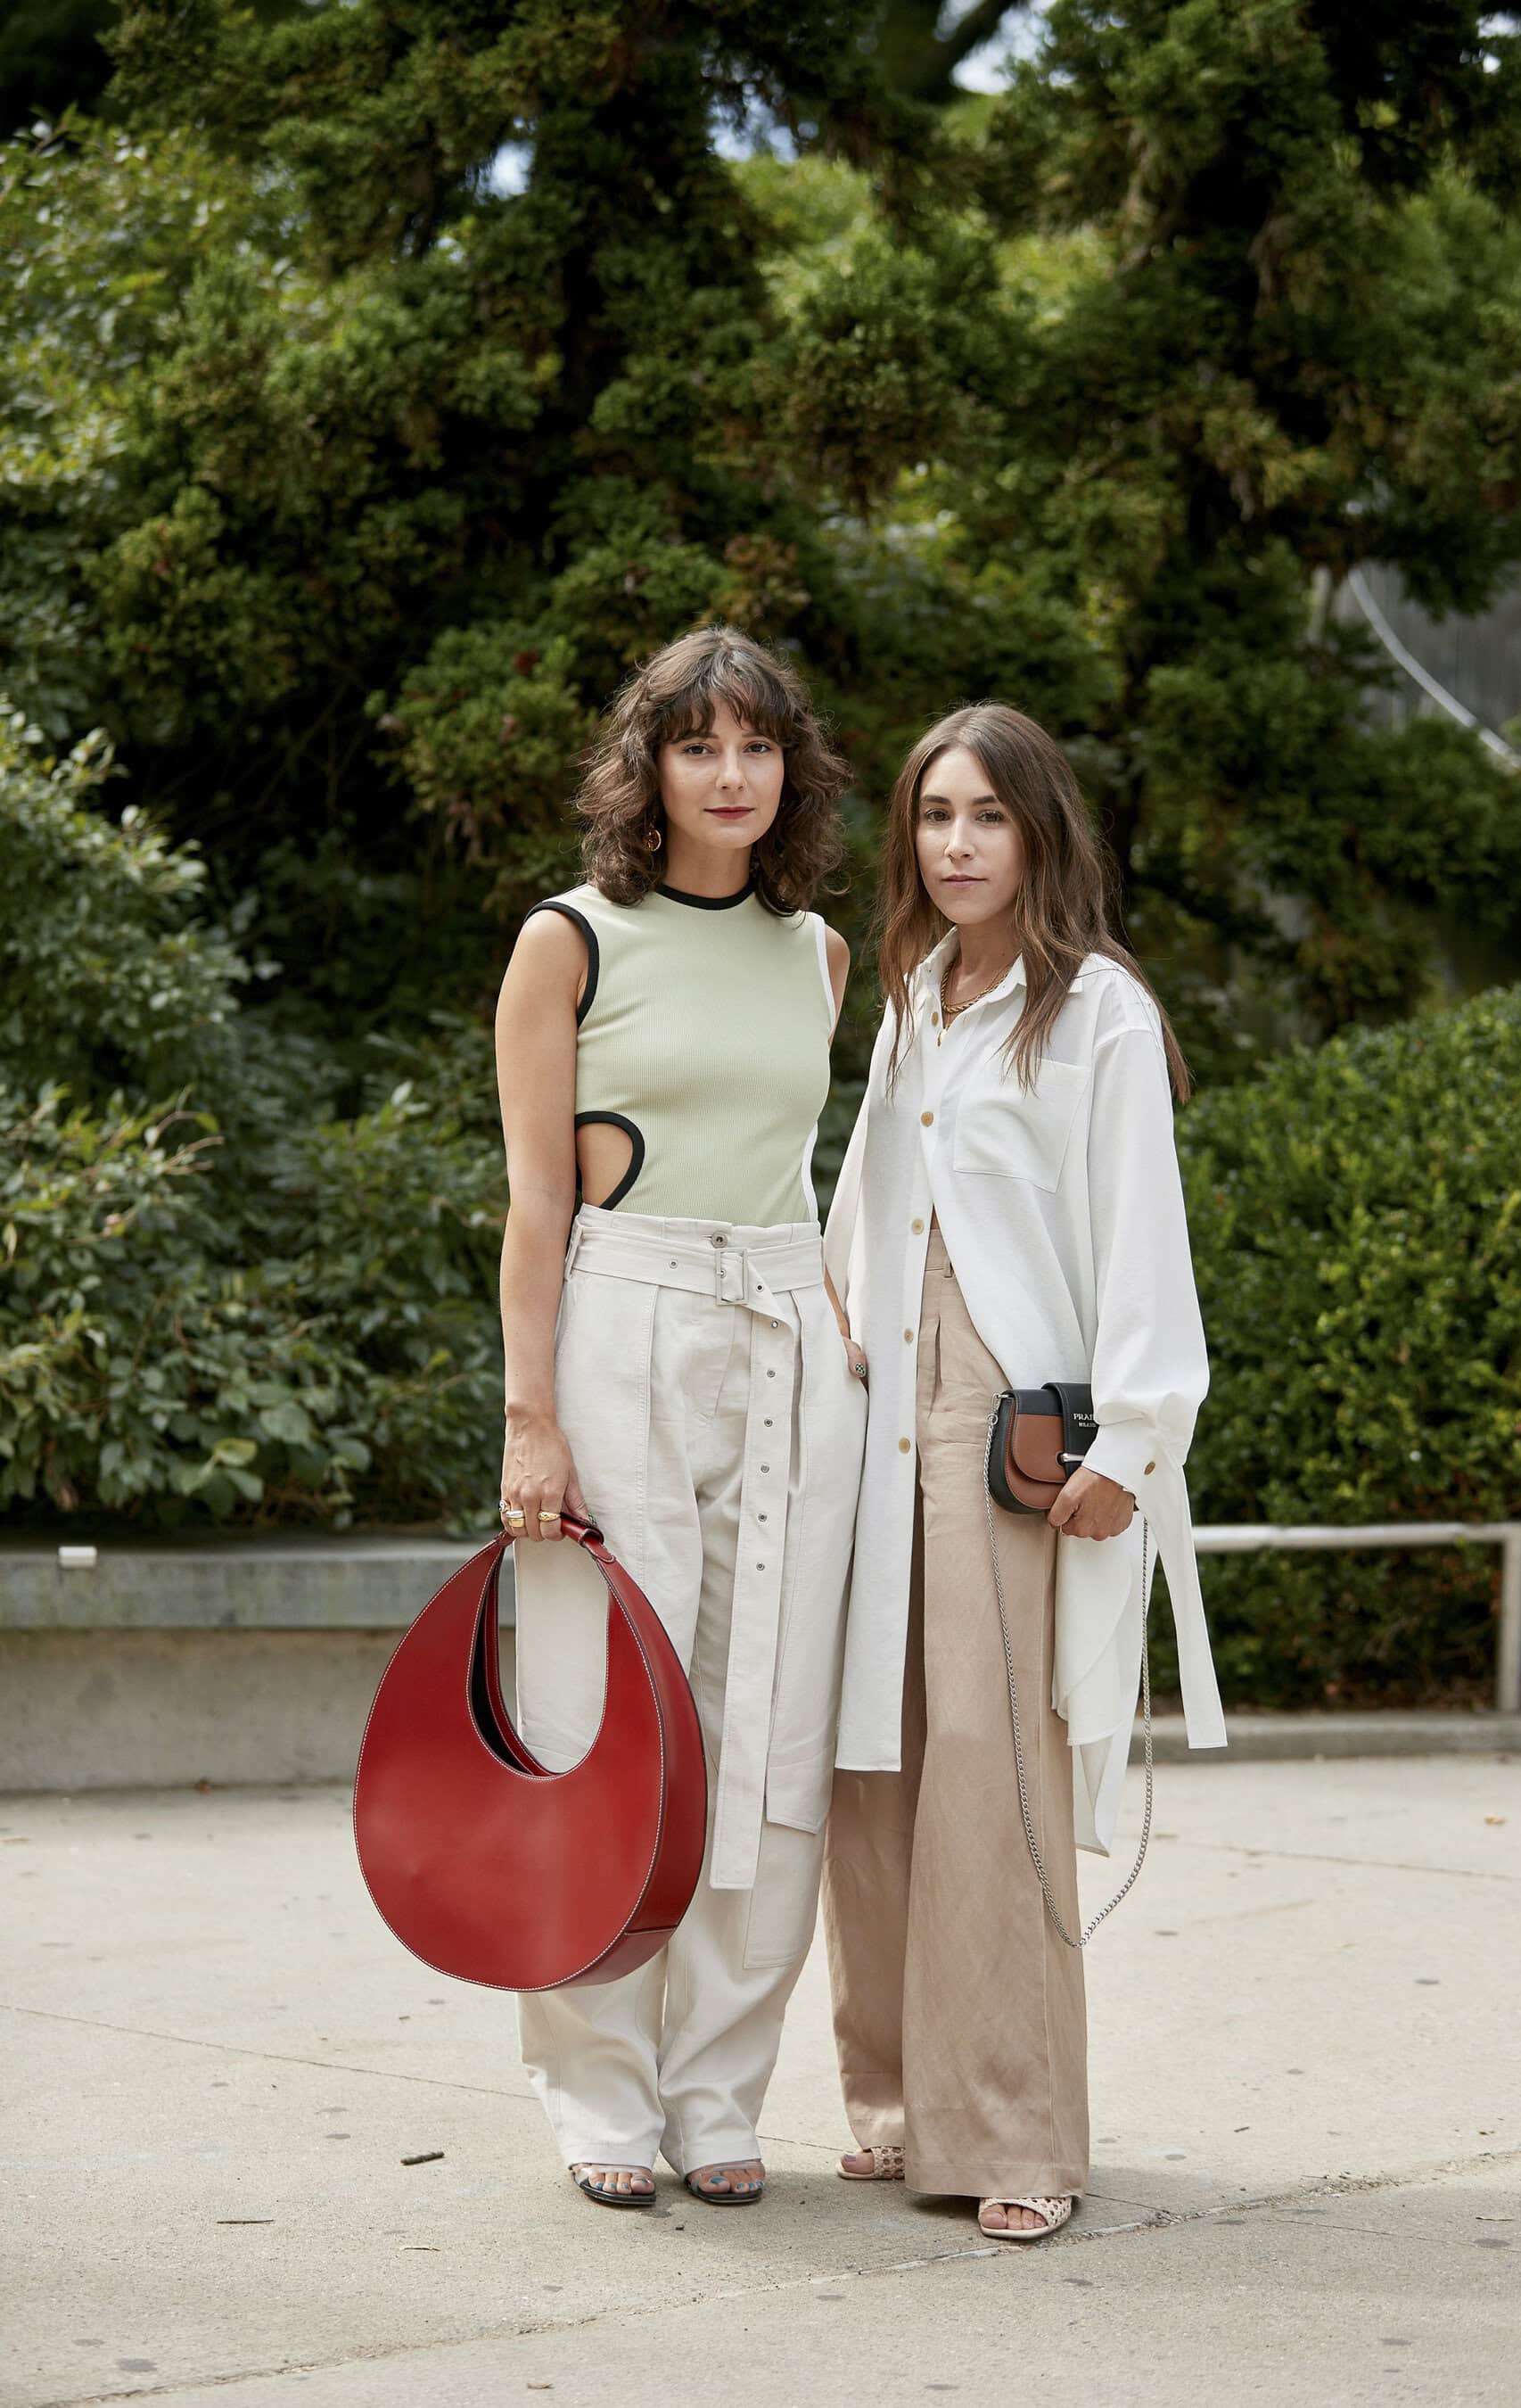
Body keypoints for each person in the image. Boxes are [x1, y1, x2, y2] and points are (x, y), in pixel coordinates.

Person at [820, 702, 1226, 2243]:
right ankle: (895, 2101)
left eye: (988, 814)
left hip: (1009, 1425)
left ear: (1040, 831)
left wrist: (1135, 1439)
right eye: (936, 815)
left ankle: (1017, 2134)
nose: (958, 843)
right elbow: (866, 1203)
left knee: (997, 1770)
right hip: (883, 1405)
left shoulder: (1096, 1011)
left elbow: (1141, 1235)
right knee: (877, 1762)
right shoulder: (915, 997)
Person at [494, 626, 869, 2211]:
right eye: (699, 745)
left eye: (757, 747)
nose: (731, 775)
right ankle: (600, 2096)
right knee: (599, 1712)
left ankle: (720, 2094)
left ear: (792, 771)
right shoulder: (569, 940)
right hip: (623, 1318)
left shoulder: (820, 954)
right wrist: (529, 1415)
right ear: (647, 767)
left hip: (789, 1332)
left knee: (767, 1722)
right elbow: (534, 1205)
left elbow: (806, 1178)